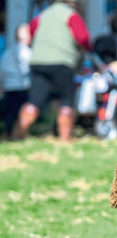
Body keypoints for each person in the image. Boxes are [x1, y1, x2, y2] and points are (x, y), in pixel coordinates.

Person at [13, 0, 92, 142]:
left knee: (35, 100)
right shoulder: (71, 15)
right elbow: (83, 38)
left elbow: (30, 33)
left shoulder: (42, 15)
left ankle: (18, 134)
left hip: (39, 62)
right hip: (63, 62)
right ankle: (65, 138)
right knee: (67, 99)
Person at [0, 24, 32, 140]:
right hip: (22, 87)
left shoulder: (8, 52)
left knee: (10, 114)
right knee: (21, 113)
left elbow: (2, 70)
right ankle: (18, 135)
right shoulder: (28, 53)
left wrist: (2, 85)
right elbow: (29, 70)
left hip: (9, 87)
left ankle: (9, 134)